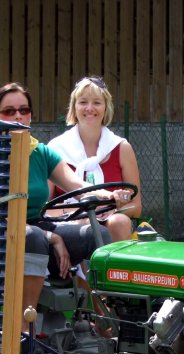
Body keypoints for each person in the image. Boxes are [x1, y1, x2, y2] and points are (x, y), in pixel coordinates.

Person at [0, 82, 130, 328]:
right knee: (32, 237)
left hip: (36, 229)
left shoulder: (40, 153)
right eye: (9, 111)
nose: (18, 116)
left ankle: (107, 321)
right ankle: (23, 329)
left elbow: (77, 184)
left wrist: (108, 195)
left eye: (24, 110)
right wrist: (52, 237)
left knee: (99, 235)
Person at [47, 75, 142, 242]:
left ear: (106, 108)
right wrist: (80, 212)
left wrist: (111, 208)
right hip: (69, 222)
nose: (89, 108)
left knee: (119, 222)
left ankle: (112, 269)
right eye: (83, 102)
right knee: (87, 226)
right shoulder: (55, 149)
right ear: (74, 107)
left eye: (97, 102)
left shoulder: (121, 147)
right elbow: (44, 208)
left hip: (111, 221)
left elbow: (136, 207)